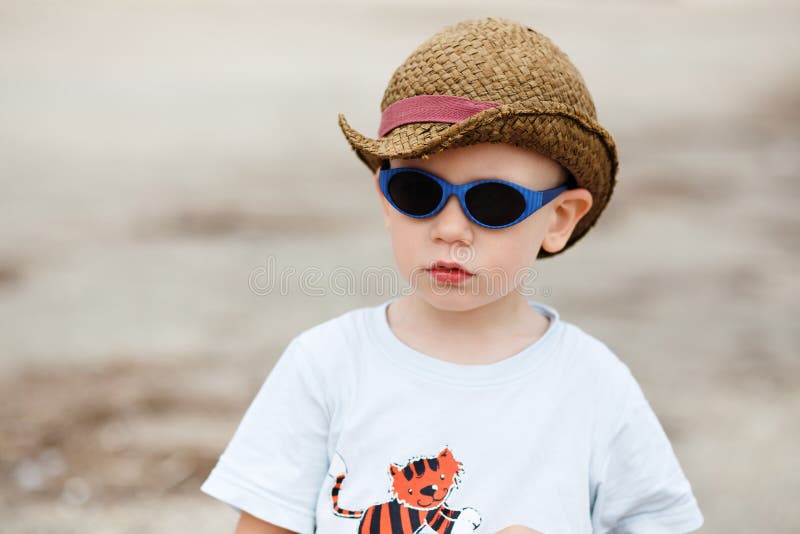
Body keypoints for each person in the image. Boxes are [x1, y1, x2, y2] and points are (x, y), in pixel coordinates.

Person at [201, 17, 704, 534]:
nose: (449, 229)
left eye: (493, 202)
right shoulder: (325, 366)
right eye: (418, 192)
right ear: (385, 198)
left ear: (558, 219)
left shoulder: (594, 386)